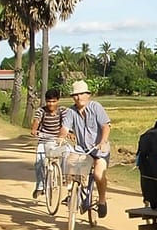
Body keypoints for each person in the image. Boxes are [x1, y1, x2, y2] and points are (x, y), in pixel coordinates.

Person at [59, 80, 111, 218]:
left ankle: (102, 200)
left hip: (99, 149)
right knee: (70, 166)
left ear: (88, 95)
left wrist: (103, 141)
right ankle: (73, 194)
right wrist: (61, 137)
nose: (79, 97)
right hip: (82, 149)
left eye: (82, 94)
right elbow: (64, 128)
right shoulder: (70, 111)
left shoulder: (96, 107)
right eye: (75, 95)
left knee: (99, 175)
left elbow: (106, 126)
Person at [30, 88, 66, 199]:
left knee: (66, 154)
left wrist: (67, 134)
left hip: (58, 140)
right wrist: (34, 130)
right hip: (44, 140)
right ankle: (40, 186)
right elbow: (36, 121)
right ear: (46, 101)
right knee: (39, 162)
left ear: (58, 101)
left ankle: (63, 176)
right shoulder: (41, 111)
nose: (51, 104)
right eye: (49, 101)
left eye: (54, 101)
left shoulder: (62, 111)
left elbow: (66, 124)